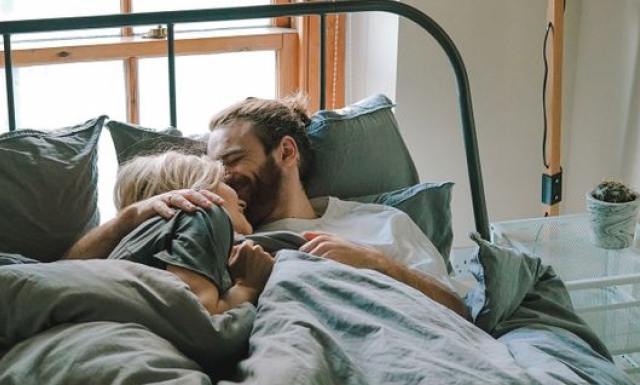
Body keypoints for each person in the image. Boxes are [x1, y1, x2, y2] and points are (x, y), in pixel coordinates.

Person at [64, 94, 468, 320]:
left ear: (286, 152)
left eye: (232, 160)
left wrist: (377, 264)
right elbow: (71, 274)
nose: (221, 176)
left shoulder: (381, 224)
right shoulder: (210, 227)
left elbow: (460, 313)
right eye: (213, 167)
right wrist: (130, 217)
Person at [101, 149, 275, 316]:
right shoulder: (201, 215)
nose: (242, 201)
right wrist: (248, 286)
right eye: (224, 182)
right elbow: (200, 318)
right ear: (195, 189)